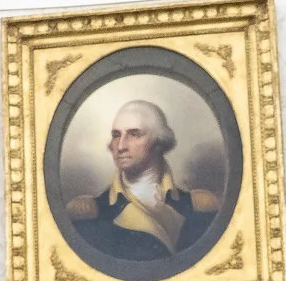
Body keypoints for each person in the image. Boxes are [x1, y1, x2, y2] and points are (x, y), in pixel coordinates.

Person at [64, 99, 220, 266]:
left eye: (134, 134)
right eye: (116, 135)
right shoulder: (88, 214)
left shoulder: (201, 206)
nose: (120, 146)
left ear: (159, 142)